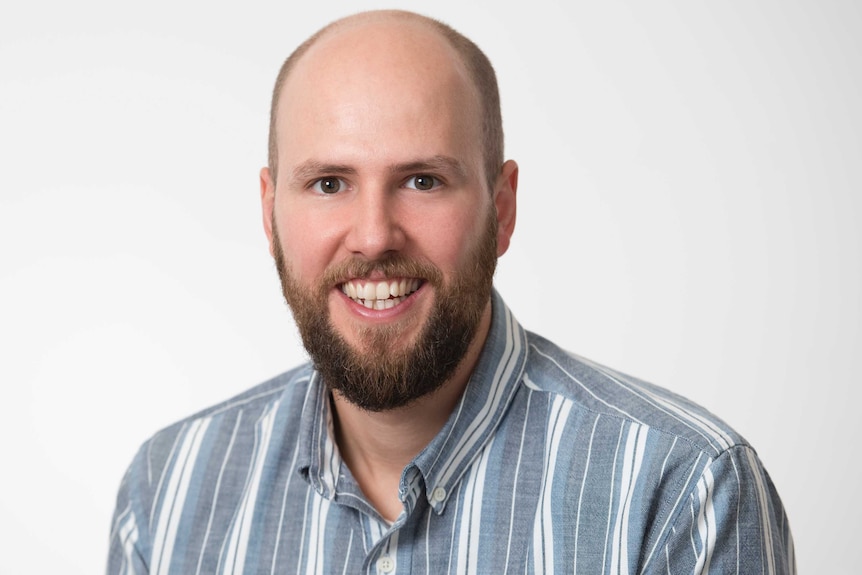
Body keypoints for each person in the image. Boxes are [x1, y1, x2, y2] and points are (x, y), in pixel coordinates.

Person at [107, 9, 795, 574]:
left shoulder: (681, 491)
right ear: (269, 212)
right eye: (328, 183)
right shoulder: (168, 491)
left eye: (423, 180)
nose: (373, 236)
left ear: (503, 207)